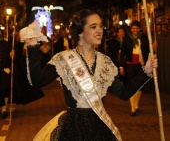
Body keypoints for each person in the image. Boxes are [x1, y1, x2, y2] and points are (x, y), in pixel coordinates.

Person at [20, 9, 157, 141]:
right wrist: (32, 48)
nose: (99, 30)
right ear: (80, 32)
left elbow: (124, 93)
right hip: (73, 129)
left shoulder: (106, 63)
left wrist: (146, 71)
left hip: (100, 129)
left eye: (100, 26)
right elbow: (37, 81)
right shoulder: (63, 59)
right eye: (93, 26)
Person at [119, 20, 151, 116]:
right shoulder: (127, 39)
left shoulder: (144, 38)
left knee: (140, 86)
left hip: (141, 64)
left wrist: (153, 46)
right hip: (130, 64)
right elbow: (122, 54)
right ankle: (132, 108)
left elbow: (148, 50)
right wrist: (121, 66)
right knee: (132, 85)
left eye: (137, 28)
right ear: (131, 29)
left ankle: (136, 106)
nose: (135, 30)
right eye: (134, 28)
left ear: (140, 29)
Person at [0, 29, 11, 119]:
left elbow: (10, 57)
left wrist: (12, 56)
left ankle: (4, 109)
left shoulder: (6, 44)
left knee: (4, 89)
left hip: (4, 70)